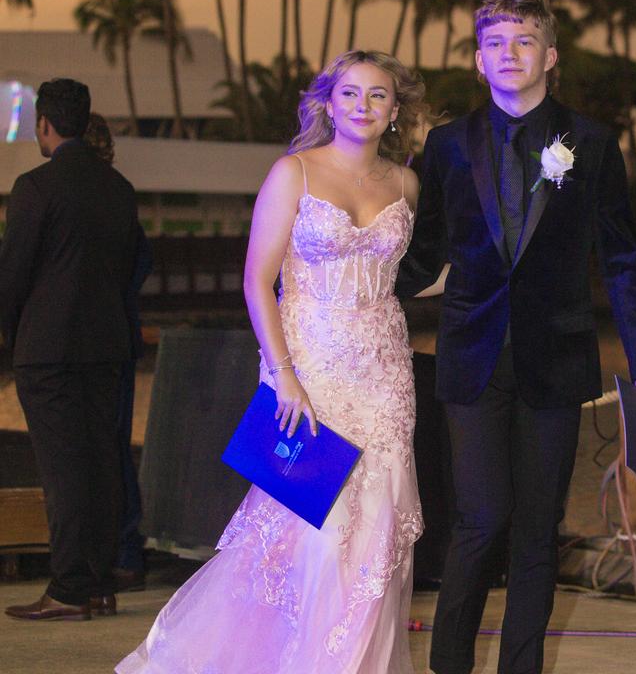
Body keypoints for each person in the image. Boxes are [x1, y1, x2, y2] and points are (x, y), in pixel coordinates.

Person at [117, 49, 429, 674]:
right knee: (312, 532)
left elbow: (393, 278)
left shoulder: (406, 183)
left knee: (378, 533)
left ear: (396, 110)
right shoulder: (295, 173)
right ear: (328, 102)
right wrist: (284, 374)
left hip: (385, 374)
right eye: (350, 94)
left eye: (377, 96)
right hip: (308, 370)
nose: (363, 106)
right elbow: (259, 281)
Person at [396, 0, 636, 674]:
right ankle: (449, 665)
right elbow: (423, 254)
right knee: (480, 520)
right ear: (480, 62)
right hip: (470, 359)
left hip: (556, 359)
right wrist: (339, 299)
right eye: (494, 44)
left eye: (521, 41)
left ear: (549, 55)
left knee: (537, 533)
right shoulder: (448, 146)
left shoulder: (594, 144)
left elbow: (624, 260)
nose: (507, 54)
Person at [0, 80, 140, 622]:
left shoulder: (35, 187)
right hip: (106, 344)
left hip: (49, 349)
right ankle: (100, 583)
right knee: (102, 463)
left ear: (44, 124)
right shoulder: (118, 188)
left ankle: (68, 587)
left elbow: (14, 273)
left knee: (62, 471)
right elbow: (126, 267)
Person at [83, 112, 153, 591]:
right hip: (121, 336)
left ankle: (116, 552)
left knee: (92, 449)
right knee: (115, 448)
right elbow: (142, 261)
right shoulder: (120, 194)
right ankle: (126, 551)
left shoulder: (86, 195)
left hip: (91, 339)